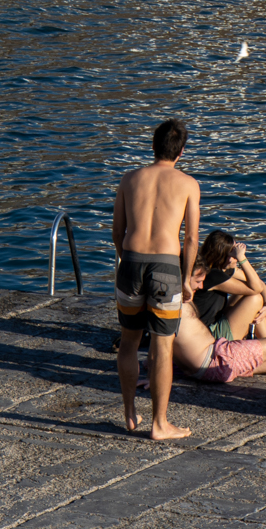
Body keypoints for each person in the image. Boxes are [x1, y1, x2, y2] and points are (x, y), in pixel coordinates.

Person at [112, 118, 200, 441]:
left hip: (131, 262)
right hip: (165, 268)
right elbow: (191, 240)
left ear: (153, 146)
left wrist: (128, 265)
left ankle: (129, 413)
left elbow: (116, 233)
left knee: (129, 342)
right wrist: (187, 277)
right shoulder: (189, 184)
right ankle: (159, 423)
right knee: (162, 346)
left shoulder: (129, 179)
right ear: (181, 153)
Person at [172, 265, 266, 385]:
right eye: (198, 281)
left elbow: (162, 340)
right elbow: (161, 339)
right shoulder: (172, 304)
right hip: (218, 360)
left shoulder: (174, 298)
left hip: (206, 366)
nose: (200, 286)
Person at [193, 230, 266, 343]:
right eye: (233, 253)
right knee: (255, 298)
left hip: (216, 322)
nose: (236, 256)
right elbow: (256, 288)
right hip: (209, 335)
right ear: (223, 256)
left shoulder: (222, 269)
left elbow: (259, 284)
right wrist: (242, 258)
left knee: (246, 291)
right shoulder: (213, 275)